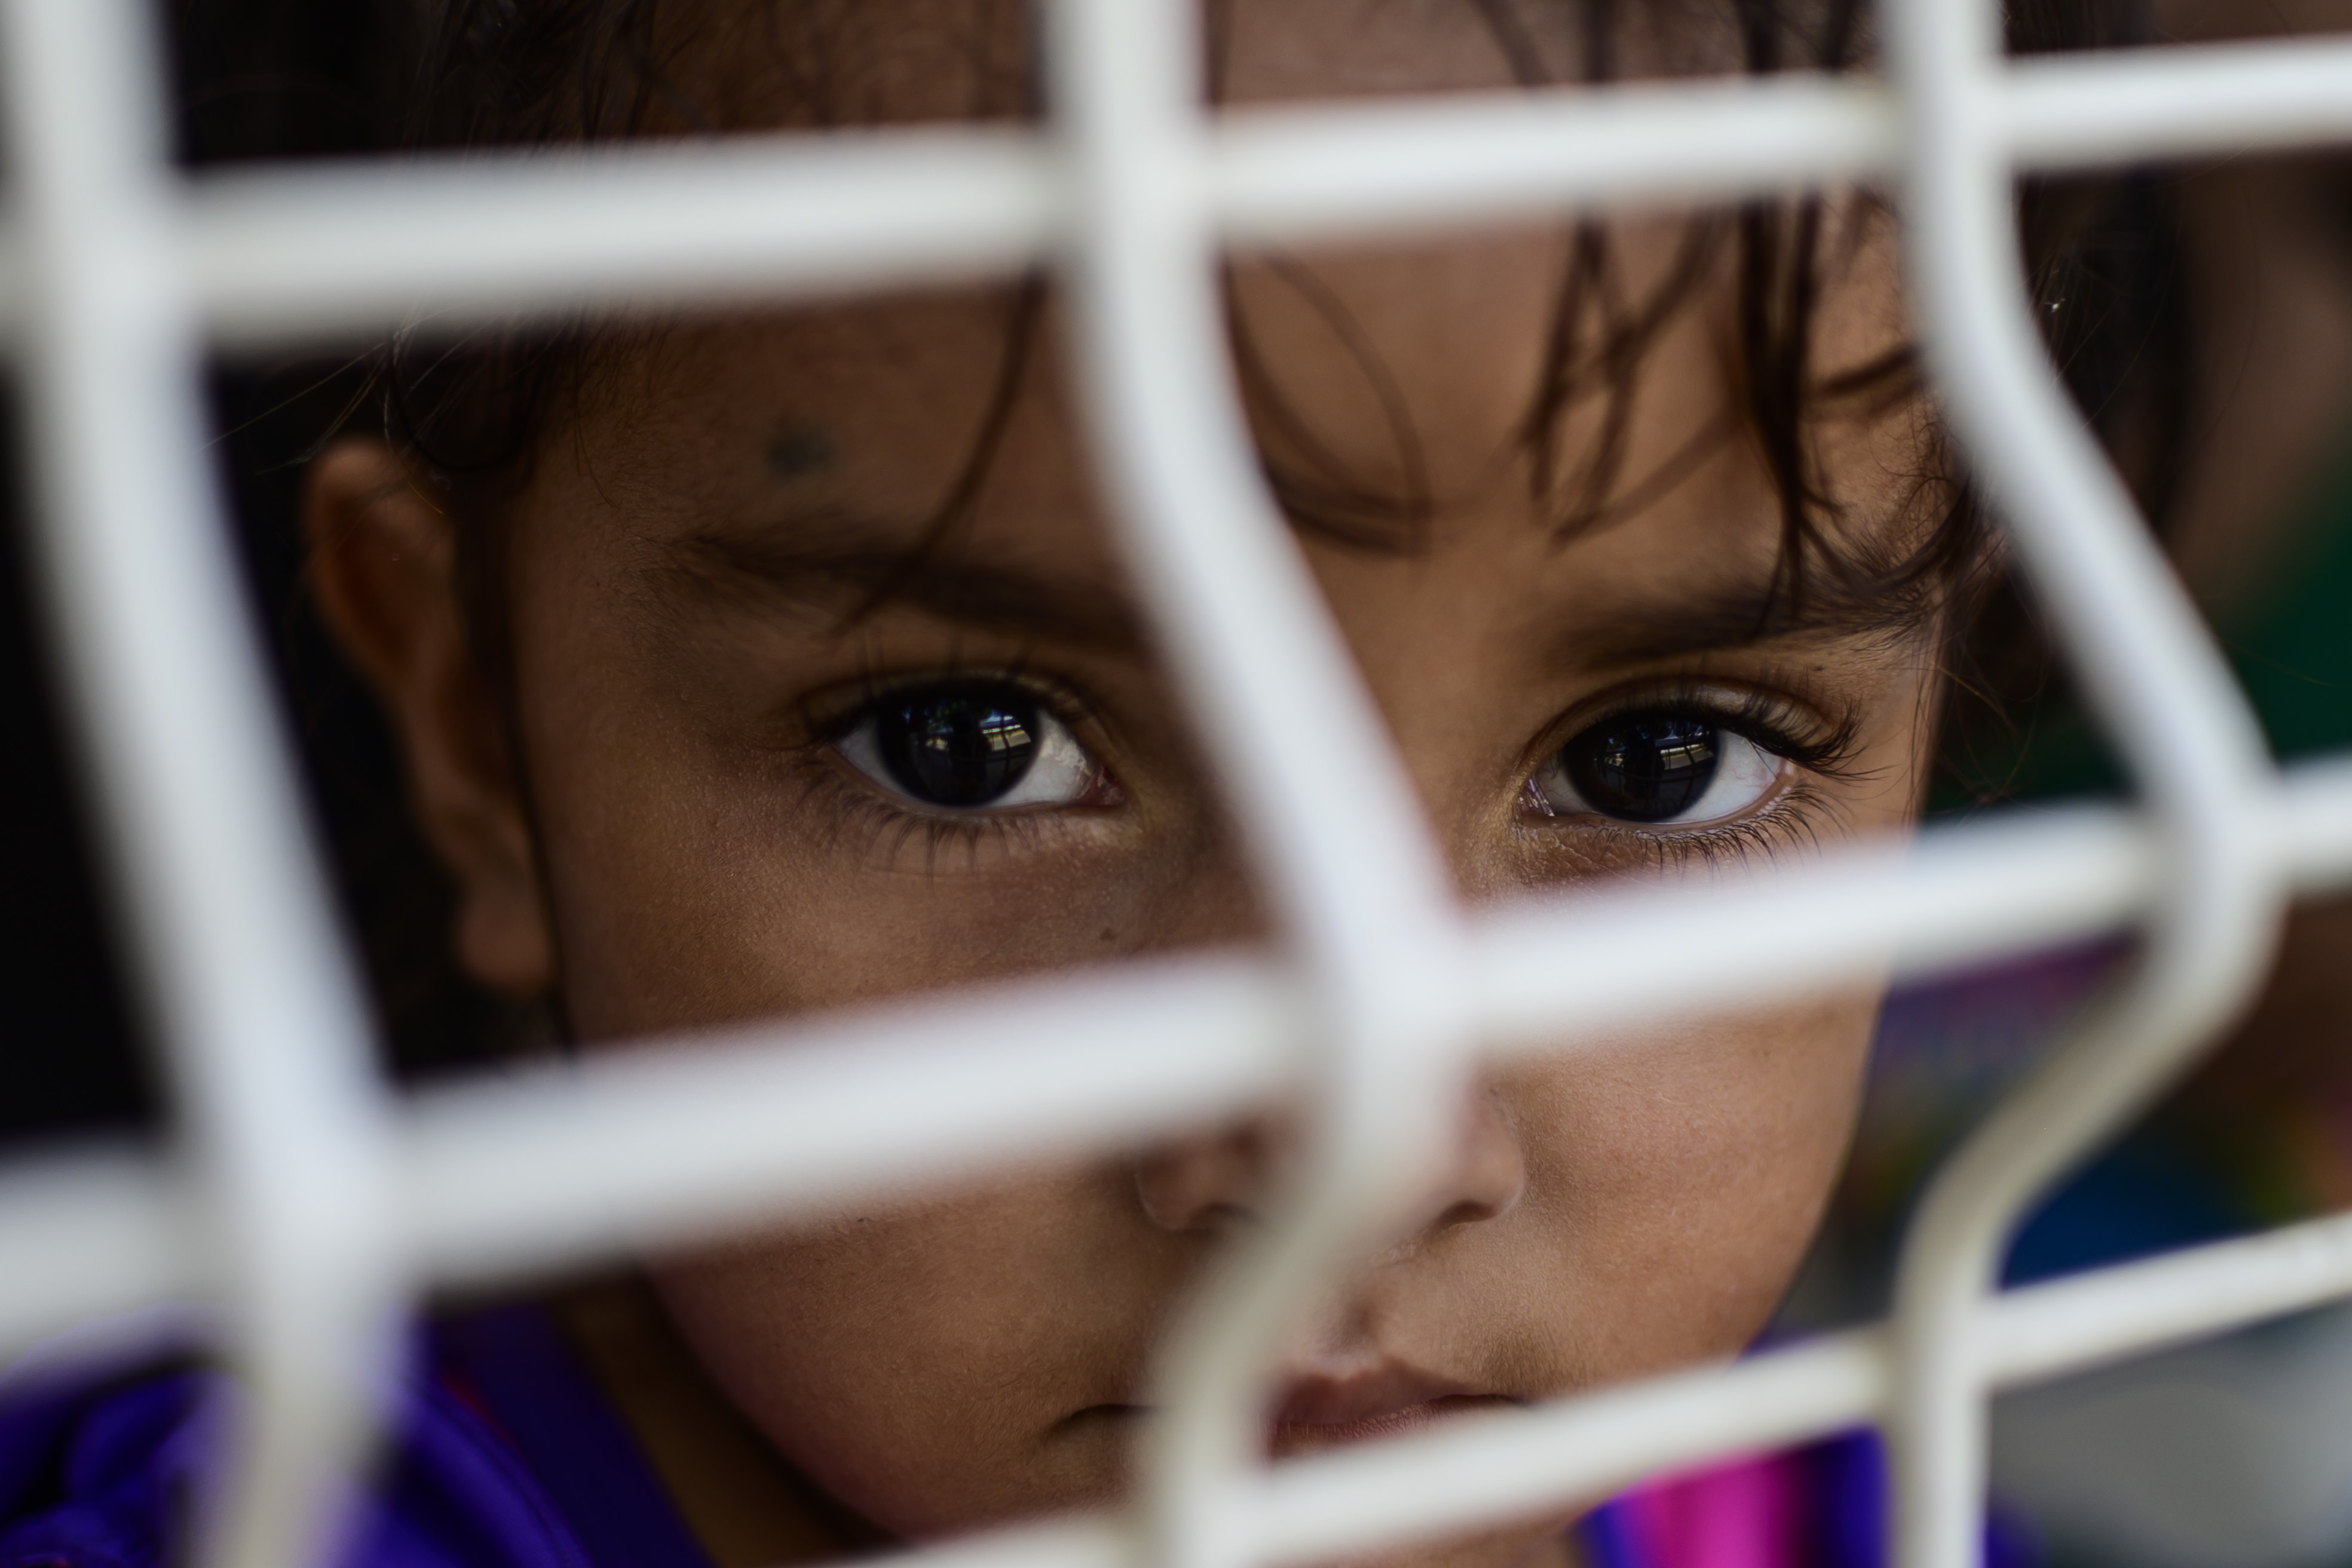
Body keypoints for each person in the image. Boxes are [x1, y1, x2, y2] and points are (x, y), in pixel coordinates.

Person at [0, 2, 2198, 1566]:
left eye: (1662, 760)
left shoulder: (1815, 1512)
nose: (1363, 1139)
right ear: (476, 721)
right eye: (971, 750)